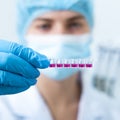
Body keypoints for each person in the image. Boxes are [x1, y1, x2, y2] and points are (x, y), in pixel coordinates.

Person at [0, 0, 114, 120]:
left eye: (74, 24)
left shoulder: (113, 112)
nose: (60, 36)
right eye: (44, 26)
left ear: (90, 29)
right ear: (23, 33)